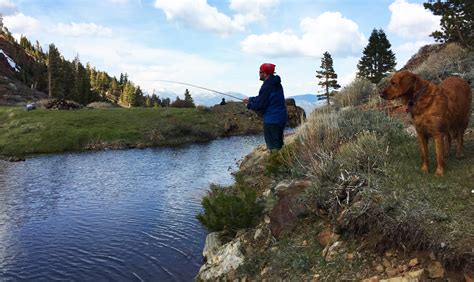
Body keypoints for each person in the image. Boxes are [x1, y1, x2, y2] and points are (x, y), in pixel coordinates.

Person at [244, 63, 288, 151]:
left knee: (273, 148)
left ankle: (275, 163)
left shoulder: (267, 86)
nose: (259, 74)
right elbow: (263, 98)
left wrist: (248, 105)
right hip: (281, 118)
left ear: (265, 73)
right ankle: (281, 160)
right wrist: (251, 99)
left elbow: (260, 105)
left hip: (271, 120)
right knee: (279, 144)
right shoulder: (275, 82)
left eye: (260, 72)